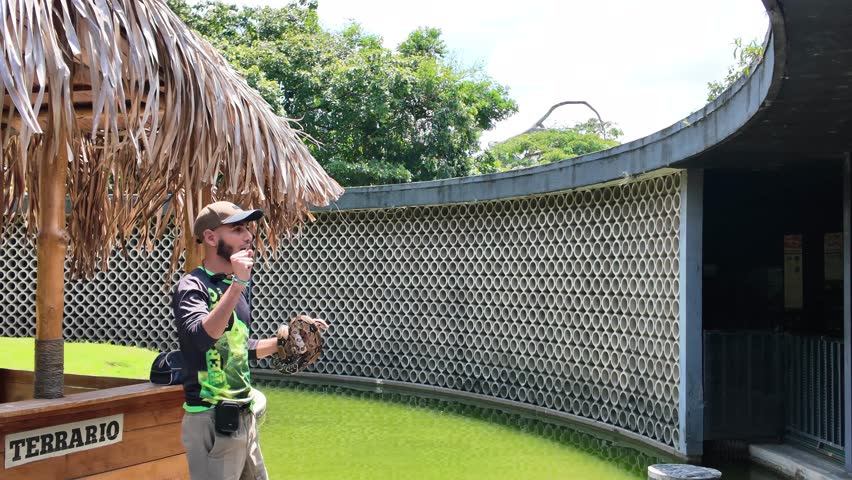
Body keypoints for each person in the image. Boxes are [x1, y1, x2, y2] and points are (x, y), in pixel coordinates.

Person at [173, 201, 327, 480]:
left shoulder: (237, 287)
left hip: (244, 418)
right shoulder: (192, 286)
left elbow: (238, 347)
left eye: (247, 228)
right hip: (210, 419)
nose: (248, 236)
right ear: (211, 237)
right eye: (238, 229)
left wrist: (284, 343)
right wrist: (238, 285)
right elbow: (200, 339)